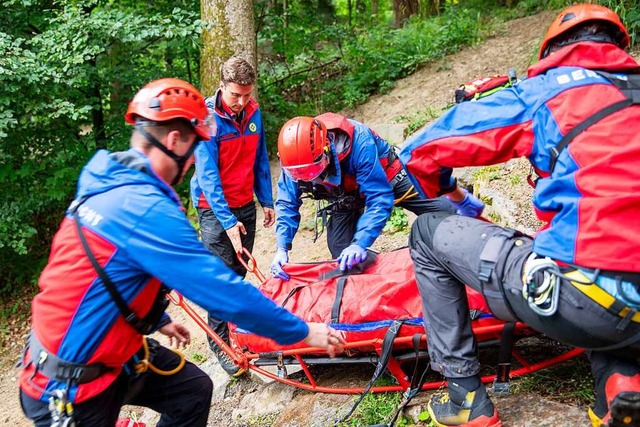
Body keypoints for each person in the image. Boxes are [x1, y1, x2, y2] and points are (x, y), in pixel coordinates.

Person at [18, 78, 345, 427]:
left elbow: (102, 270)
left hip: (111, 354)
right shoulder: (144, 209)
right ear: (174, 140)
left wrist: (157, 319)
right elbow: (225, 293)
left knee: (192, 391)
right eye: (194, 150)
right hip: (68, 386)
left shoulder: (107, 180)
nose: (191, 163)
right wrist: (303, 333)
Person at [400, 4, 640, 426]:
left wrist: (446, 193)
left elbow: (421, 150)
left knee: (425, 232)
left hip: (584, 297)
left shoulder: (546, 92)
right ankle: (622, 382)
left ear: (552, 53)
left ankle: (465, 398)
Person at [270, 113, 480, 279]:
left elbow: (379, 198)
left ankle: (476, 237)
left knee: (446, 213)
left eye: (311, 170)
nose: (308, 178)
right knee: (342, 253)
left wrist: (360, 241)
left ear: (325, 150)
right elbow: (287, 203)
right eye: (301, 174)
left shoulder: (358, 141)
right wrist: (281, 247)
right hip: (344, 194)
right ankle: (388, 277)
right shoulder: (295, 163)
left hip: (387, 178)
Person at [190, 57, 275, 376]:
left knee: (238, 272)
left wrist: (266, 199)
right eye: (235, 95)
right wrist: (227, 223)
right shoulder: (206, 121)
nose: (241, 102)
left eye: (247, 95)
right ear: (222, 86)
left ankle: (234, 328)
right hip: (213, 209)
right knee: (220, 277)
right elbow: (208, 176)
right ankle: (220, 344)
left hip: (244, 202)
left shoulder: (253, 113)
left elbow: (260, 158)